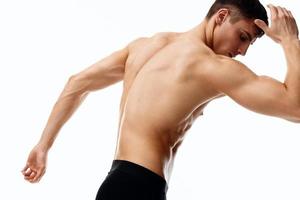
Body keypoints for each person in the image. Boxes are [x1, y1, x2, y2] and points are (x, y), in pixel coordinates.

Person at [22, 0, 300, 199]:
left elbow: (77, 83)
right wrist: (290, 41)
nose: (241, 51)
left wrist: (43, 146)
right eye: (242, 37)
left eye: (248, 43)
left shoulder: (145, 46)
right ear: (221, 16)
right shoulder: (210, 66)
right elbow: (295, 107)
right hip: (142, 187)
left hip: (114, 184)